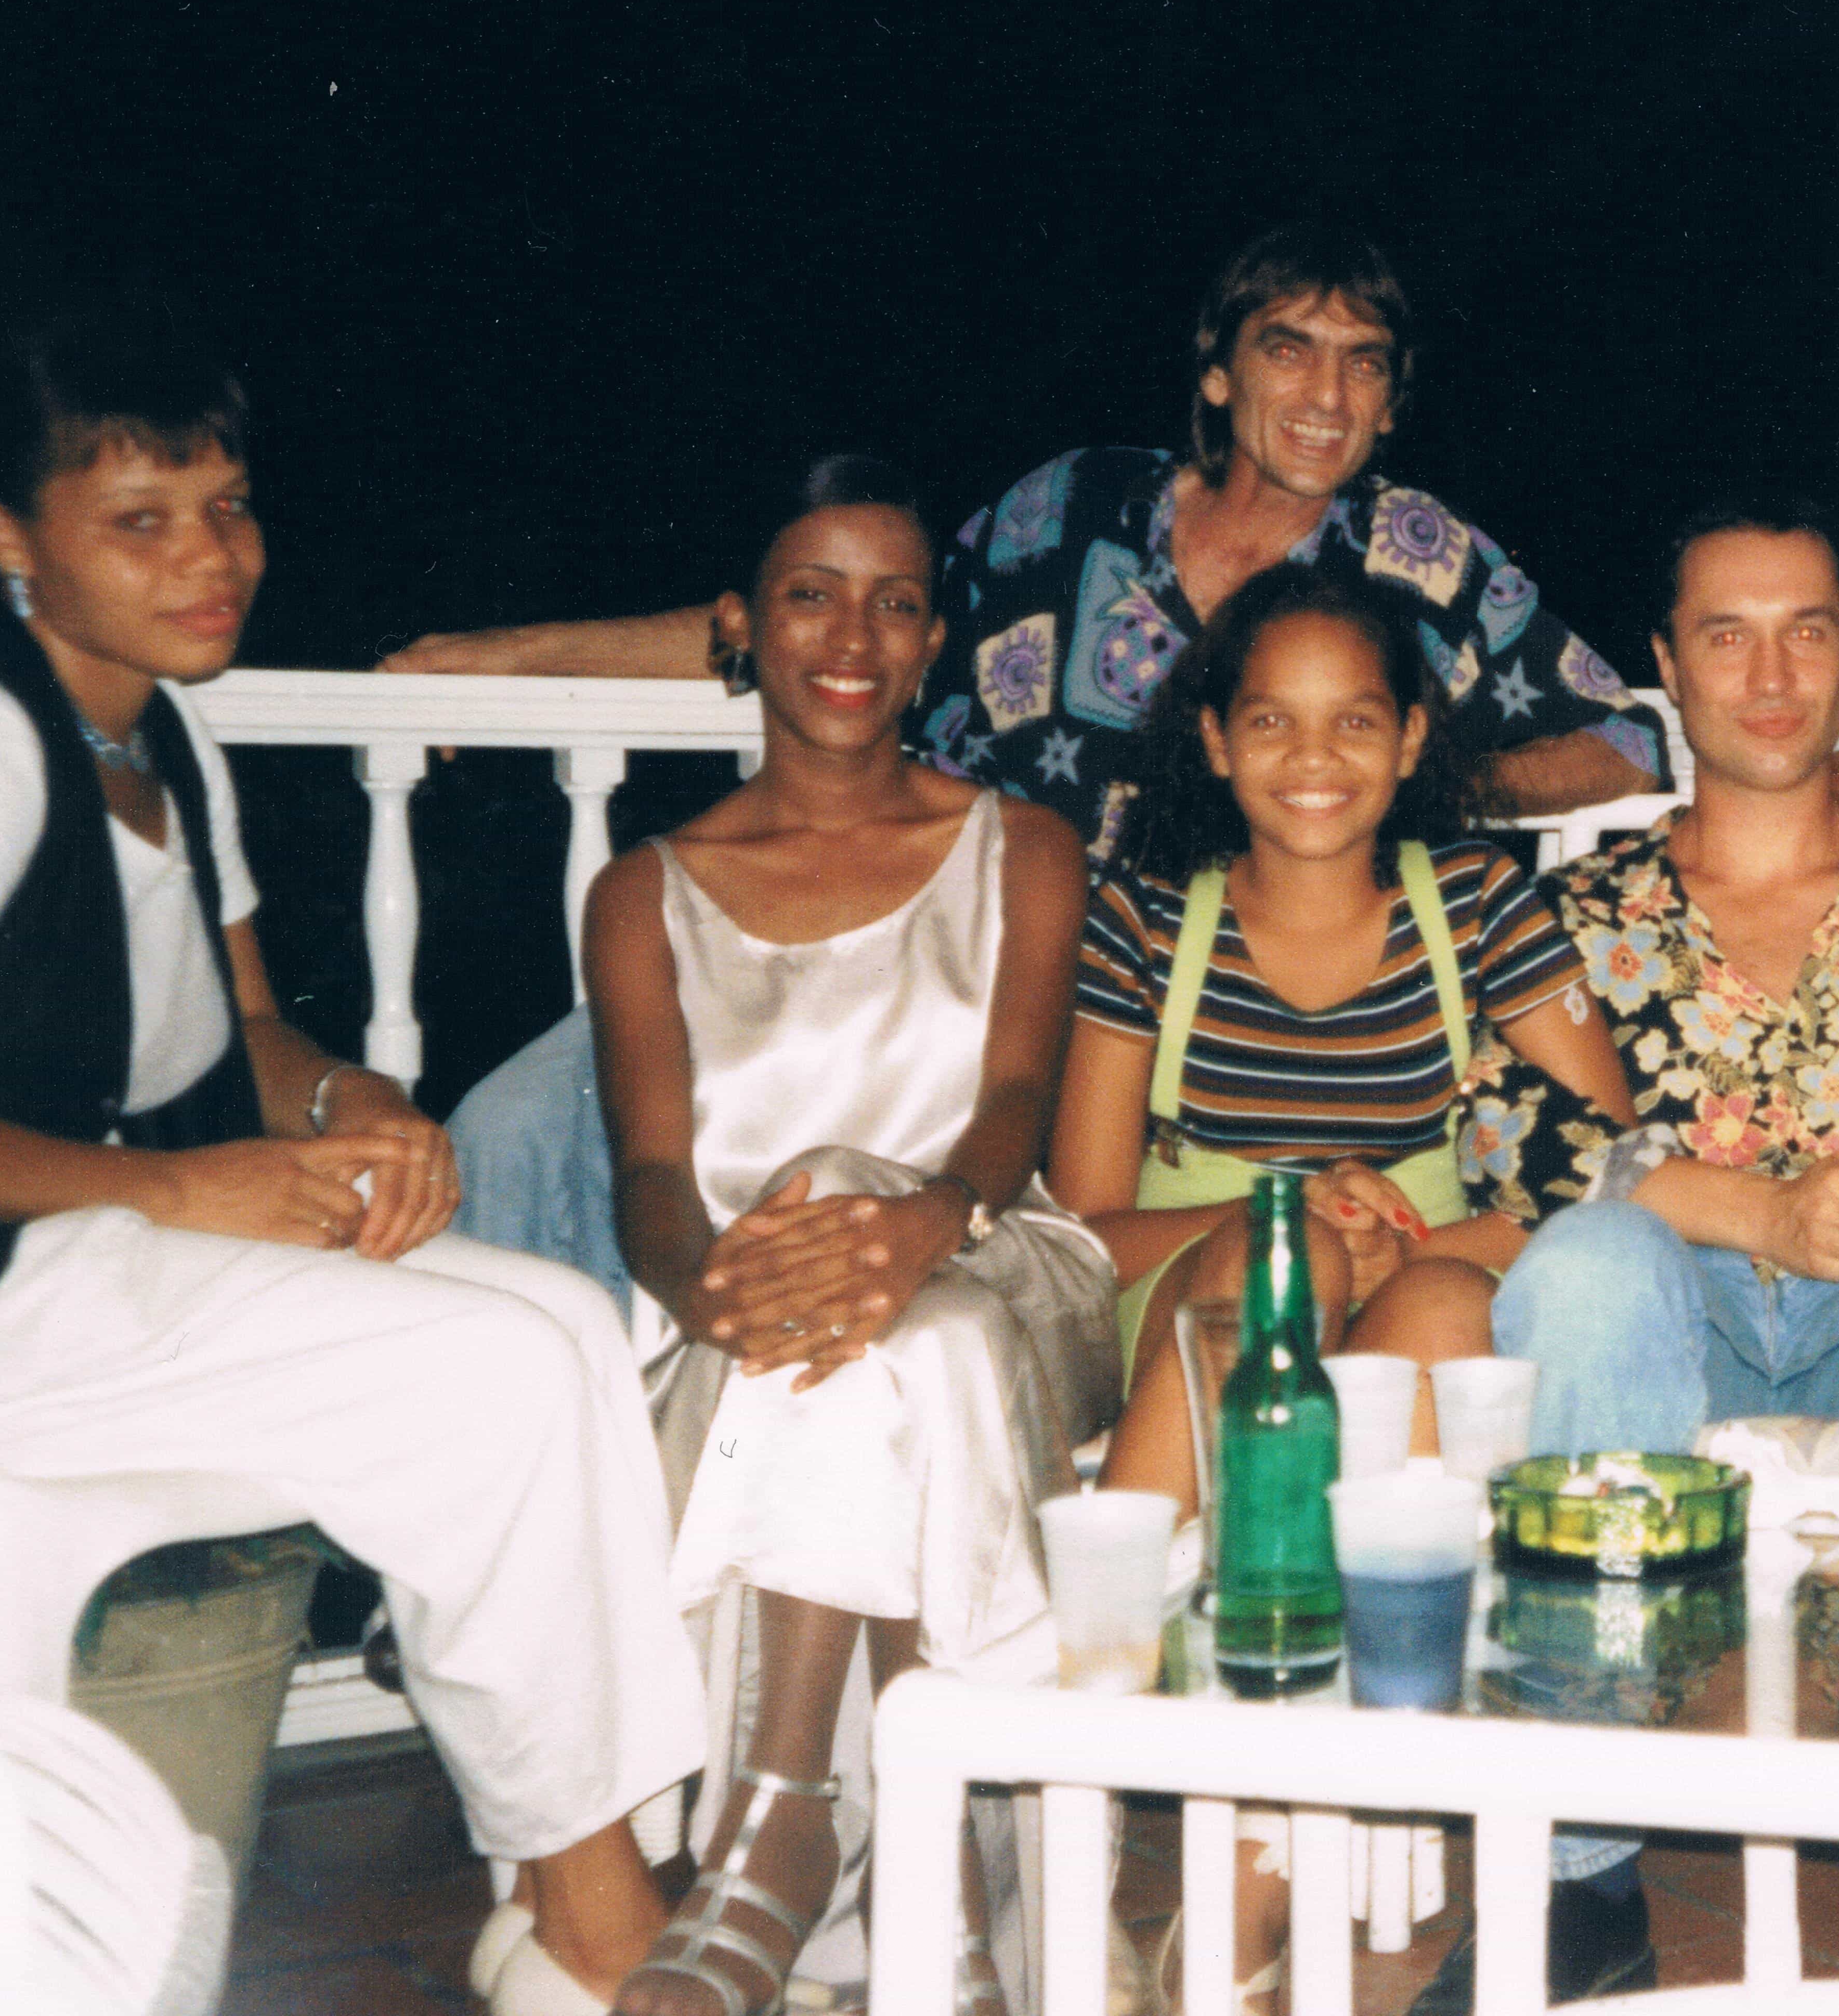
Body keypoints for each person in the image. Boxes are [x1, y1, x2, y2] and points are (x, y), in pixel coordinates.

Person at [0, 306, 701, 2016]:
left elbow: (248, 1027)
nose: (213, 561)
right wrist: (178, 1190)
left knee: (569, 1324)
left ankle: (565, 1898)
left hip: (124, 1260)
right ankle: (602, 1935)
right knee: (491, 1380)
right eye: (143, 522)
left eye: (230, 508)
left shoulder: (160, 735)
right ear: (4, 535)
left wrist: (351, 1101)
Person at [409, 224, 1666, 1302]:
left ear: (1391, 404)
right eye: (1288, 348)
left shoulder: (1417, 556)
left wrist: (1399, 796)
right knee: (516, 1123)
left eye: (1363, 362)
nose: (1325, 394)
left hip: (1142, 1023)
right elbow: (847, 617)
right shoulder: (1072, 510)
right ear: (1217, 371)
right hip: (936, 958)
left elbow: (1622, 737)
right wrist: (516, 653)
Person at [1437, 497, 1839, 2013]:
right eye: (1726, 636)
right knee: (1586, 1267)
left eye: (1806, 631)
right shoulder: (1566, 920)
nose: (1771, 673)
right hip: (1671, 1317)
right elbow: (1511, 1143)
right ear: (1669, 667)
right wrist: (1764, 1213)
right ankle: (1578, 1872)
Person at [1045, 562, 1639, 2004]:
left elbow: (1607, 1179)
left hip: (1420, 1290)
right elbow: (1080, 1231)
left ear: (1413, 738)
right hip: (1190, 1313)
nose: (1313, 757)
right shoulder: (1145, 922)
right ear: (1213, 739)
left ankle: (1255, 1866)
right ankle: (1092, 1747)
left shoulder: (1480, 906)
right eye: (1271, 720)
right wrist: (1284, 1212)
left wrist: (1417, 1245)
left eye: (1355, 719)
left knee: (1424, 1314)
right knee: (1283, 1258)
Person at [580, 461, 1120, 2015]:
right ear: (740, 625)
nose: (852, 636)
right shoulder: (644, 891)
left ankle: (775, 1833)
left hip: (1003, 1263)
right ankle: (928, 1886)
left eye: (895, 604)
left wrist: (928, 1219)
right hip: (753, 1321)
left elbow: (1012, 1105)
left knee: (888, 1268)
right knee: (890, 1342)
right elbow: (653, 1179)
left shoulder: (1022, 846)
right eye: (811, 595)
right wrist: (716, 1294)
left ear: (933, 641)